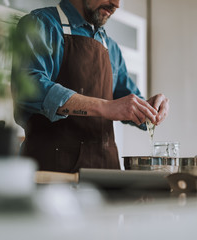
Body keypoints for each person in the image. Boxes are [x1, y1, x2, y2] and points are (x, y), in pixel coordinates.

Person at [11, 0, 169, 173]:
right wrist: (105, 107)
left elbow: (128, 104)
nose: (116, 4)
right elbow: (29, 89)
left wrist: (148, 109)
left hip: (106, 172)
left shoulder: (112, 48)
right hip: (53, 172)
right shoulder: (41, 24)